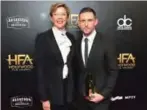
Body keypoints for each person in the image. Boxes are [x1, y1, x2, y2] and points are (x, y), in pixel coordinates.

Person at [75, 7, 118, 110]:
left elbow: (113, 71)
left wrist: (103, 94)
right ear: (79, 23)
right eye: (83, 21)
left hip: (100, 101)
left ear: (96, 22)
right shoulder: (76, 43)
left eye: (89, 20)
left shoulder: (106, 42)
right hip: (81, 101)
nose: (86, 24)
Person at [34, 3, 75, 110]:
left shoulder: (71, 38)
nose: (60, 17)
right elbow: (39, 70)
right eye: (56, 14)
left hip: (69, 92)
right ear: (51, 17)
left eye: (63, 14)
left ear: (67, 17)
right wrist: (44, 98)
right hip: (52, 93)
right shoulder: (43, 38)